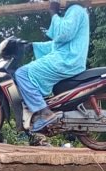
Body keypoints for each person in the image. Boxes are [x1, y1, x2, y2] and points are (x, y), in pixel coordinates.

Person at [14, 0, 90, 132]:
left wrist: (53, 13)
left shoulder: (76, 10)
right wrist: (34, 46)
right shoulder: (77, 12)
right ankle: (39, 111)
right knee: (26, 72)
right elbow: (57, 45)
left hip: (66, 60)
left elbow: (63, 34)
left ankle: (45, 113)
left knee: (22, 73)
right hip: (66, 58)